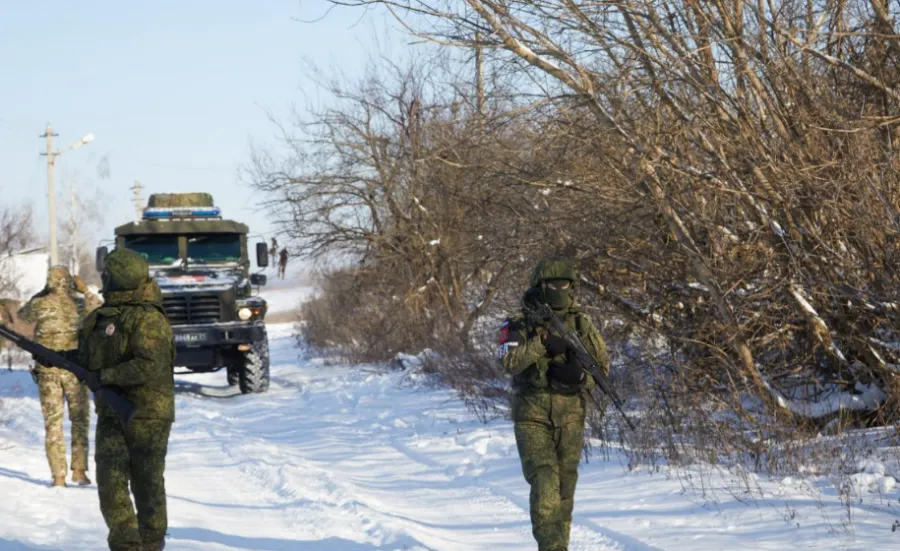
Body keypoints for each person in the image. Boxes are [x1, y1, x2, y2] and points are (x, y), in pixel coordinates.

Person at [497, 259, 610, 551]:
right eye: (552, 285)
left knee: (564, 491)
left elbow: (601, 369)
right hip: (531, 415)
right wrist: (543, 342)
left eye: (565, 284)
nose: (559, 290)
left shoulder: (581, 323)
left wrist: (581, 377)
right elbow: (509, 362)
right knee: (545, 481)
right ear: (539, 286)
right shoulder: (518, 322)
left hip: (571, 415)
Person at [67, 248, 175, 551]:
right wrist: (58, 358)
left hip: (147, 413)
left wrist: (106, 376)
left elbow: (150, 365)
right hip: (111, 413)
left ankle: (151, 543)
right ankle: (126, 545)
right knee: (110, 482)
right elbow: (89, 359)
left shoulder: (148, 318)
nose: (104, 277)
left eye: (109, 273)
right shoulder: (100, 318)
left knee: (146, 482)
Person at [17, 266, 100, 487]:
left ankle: (59, 476)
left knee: (53, 424)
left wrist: (42, 292)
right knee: (80, 420)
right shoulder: (79, 304)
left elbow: (22, 315)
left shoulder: (40, 304)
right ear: (70, 282)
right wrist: (85, 291)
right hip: (75, 371)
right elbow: (100, 309)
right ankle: (79, 471)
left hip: (48, 373)